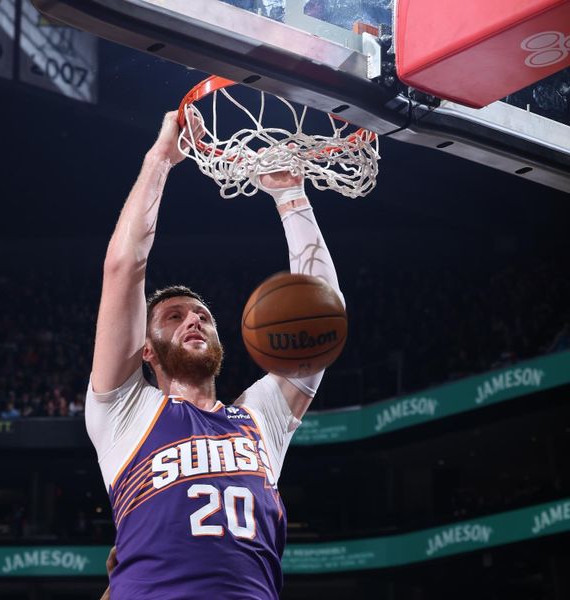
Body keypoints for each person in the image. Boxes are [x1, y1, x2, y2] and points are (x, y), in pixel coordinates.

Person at [86, 112, 345, 599]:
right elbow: (125, 267)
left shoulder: (259, 418)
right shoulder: (124, 412)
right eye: (174, 316)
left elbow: (321, 318)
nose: (193, 320)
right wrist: (161, 160)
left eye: (202, 315)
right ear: (147, 350)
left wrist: (291, 197)